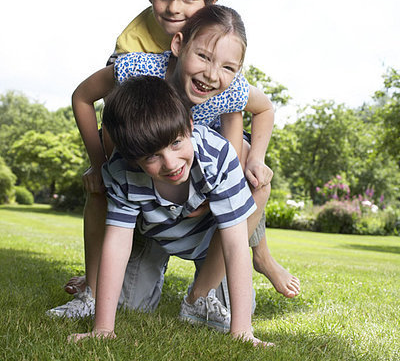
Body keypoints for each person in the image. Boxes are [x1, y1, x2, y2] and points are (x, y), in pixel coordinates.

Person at [47, 5, 299, 319]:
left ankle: (203, 292)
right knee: (128, 303)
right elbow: (83, 96)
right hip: (146, 183)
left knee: (253, 178)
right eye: (204, 57)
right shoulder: (139, 70)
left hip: (199, 180)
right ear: (178, 45)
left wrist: (254, 161)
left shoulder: (228, 89)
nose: (211, 74)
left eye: (227, 67)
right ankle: (95, 289)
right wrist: (98, 165)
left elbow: (265, 110)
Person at [68, 75, 273, 347]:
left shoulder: (217, 156)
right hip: (158, 236)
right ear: (132, 157)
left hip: (211, 244)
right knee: (127, 304)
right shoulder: (122, 171)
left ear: (189, 124)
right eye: (151, 157)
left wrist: (242, 331)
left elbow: (235, 245)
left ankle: (197, 296)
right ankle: (144, 268)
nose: (171, 163)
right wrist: (103, 328)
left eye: (176, 143)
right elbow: (116, 243)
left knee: (230, 312)